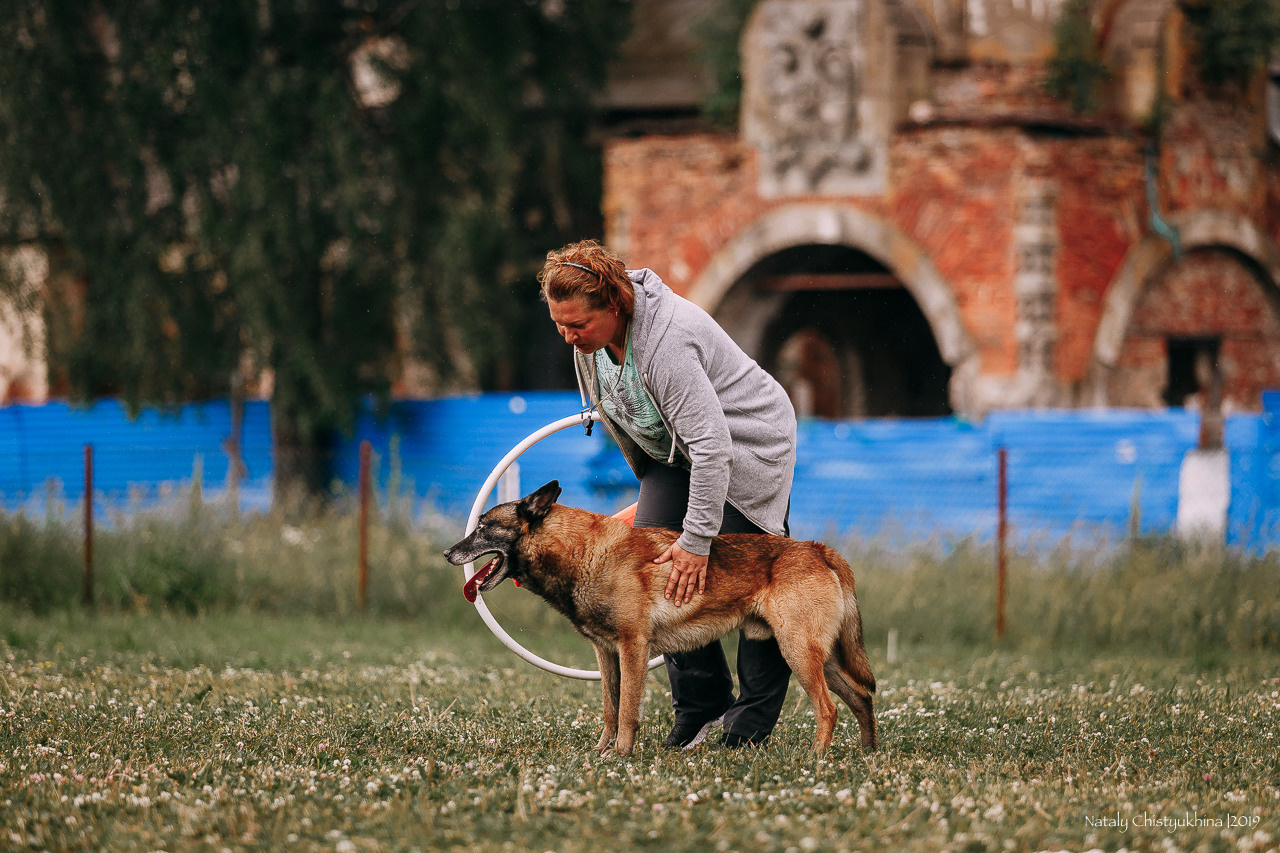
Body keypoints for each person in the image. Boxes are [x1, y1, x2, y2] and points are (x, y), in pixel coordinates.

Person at [537, 238, 798, 749]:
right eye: (559, 325)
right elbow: (636, 425)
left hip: (746, 447)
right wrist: (647, 506)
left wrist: (697, 542)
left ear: (613, 305)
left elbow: (714, 449)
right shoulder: (592, 347)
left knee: (752, 578)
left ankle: (748, 726)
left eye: (578, 325)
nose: (569, 337)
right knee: (653, 576)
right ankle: (701, 709)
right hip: (675, 458)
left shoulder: (668, 341)